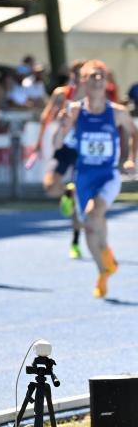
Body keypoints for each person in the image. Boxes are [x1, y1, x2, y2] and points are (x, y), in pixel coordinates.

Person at [54, 60, 136, 298]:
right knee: (91, 229)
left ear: (107, 82)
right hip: (84, 177)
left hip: (108, 175)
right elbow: (58, 143)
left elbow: (134, 133)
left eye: (101, 76)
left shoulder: (117, 112)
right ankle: (104, 269)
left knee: (94, 214)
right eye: (92, 77)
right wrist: (61, 127)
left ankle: (105, 260)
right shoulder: (76, 111)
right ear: (83, 82)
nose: (97, 80)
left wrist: (130, 158)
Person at [29, 60, 85, 258]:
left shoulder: (93, 97)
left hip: (85, 152)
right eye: (76, 75)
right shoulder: (62, 94)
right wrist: (38, 143)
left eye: (83, 75)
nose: (79, 79)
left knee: (81, 201)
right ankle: (66, 193)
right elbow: (46, 117)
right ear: (71, 76)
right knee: (50, 185)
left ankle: (76, 241)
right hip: (64, 147)